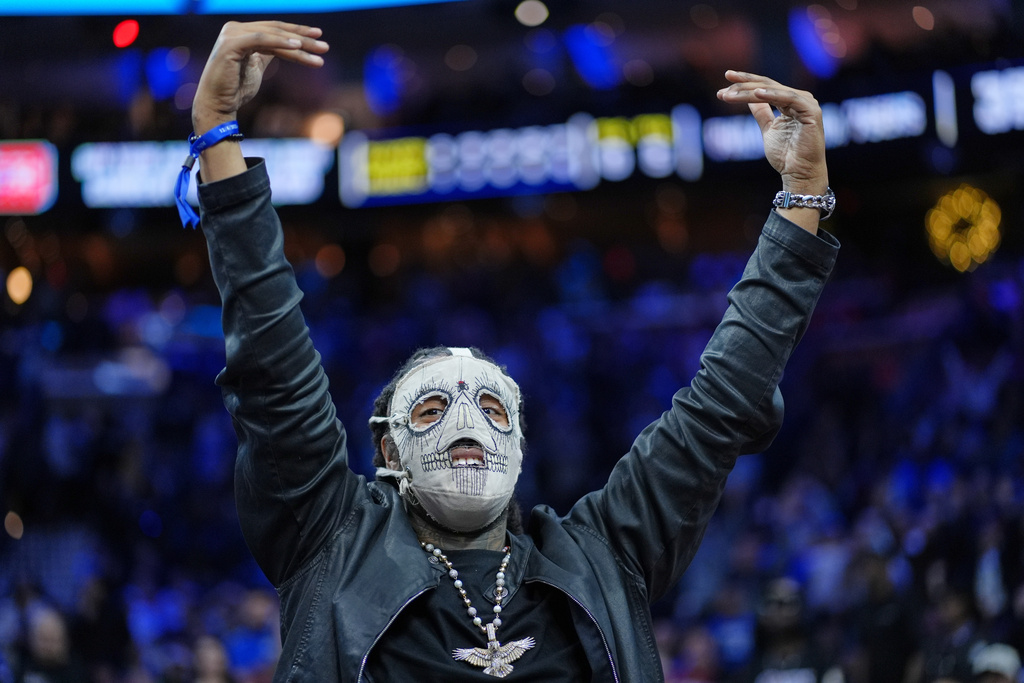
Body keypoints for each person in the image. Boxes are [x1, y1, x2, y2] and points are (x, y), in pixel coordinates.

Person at [189, 20, 839, 682]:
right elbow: (275, 369)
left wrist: (804, 193)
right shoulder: (332, 541)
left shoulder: (603, 554)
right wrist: (216, 131)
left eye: (494, 406)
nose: (467, 420)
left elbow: (720, 405)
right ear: (388, 452)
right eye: (434, 405)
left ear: (522, 446)